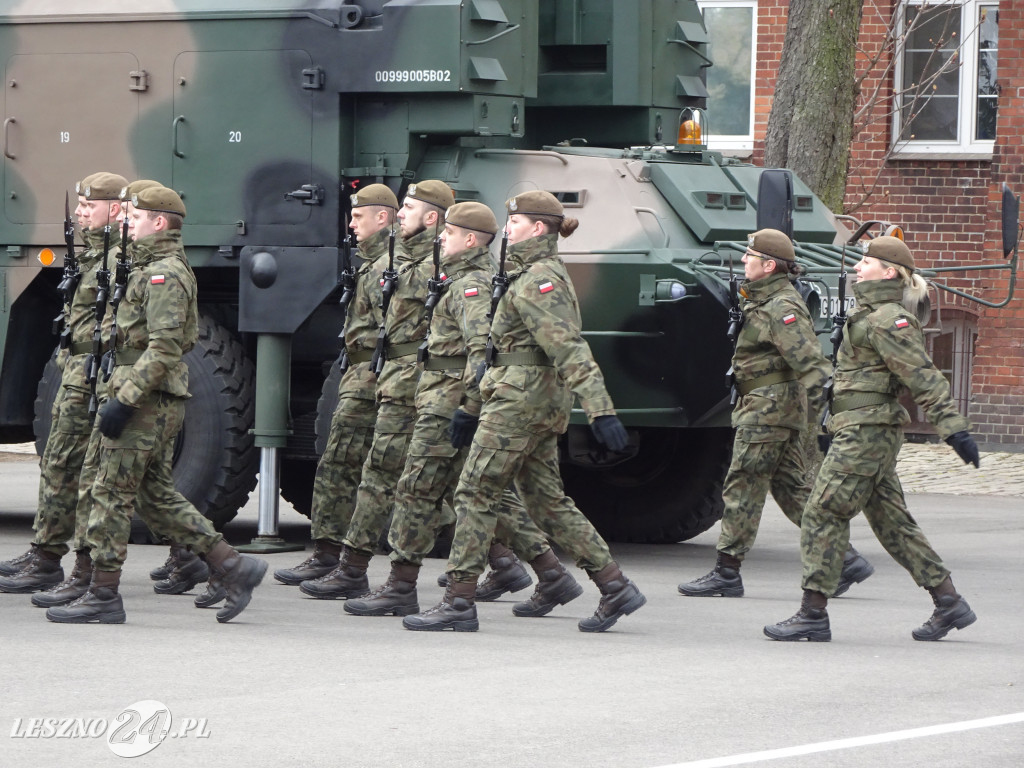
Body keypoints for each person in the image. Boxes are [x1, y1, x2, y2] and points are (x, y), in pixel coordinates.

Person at [404, 190, 645, 633]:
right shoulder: (527, 274)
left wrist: (601, 410)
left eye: (514, 223)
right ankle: (614, 586)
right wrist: (471, 407)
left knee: (475, 493)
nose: (506, 230)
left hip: (520, 401)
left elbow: (568, 346)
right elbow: (498, 351)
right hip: (522, 398)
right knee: (547, 502)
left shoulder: (538, 279)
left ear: (538, 228)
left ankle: (459, 600)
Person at [45, 185, 267, 624]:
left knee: (108, 492)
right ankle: (233, 565)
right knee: (155, 497)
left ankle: (104, 593)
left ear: (159, 223)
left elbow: (165, 348)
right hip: (133, 393)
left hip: (145, 400)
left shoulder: (166, 273)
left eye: (136, 215)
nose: (127, 220)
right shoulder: (142, 268)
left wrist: (125, 401)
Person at [343, 201, 567, 617]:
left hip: (447, 401)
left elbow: (482, 349)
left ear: (468, 239)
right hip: (438, 395)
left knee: (419, 490)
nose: (441, 238)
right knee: (467, 493)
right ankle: (545, 572)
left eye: (448, 233)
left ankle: (403, 586)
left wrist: (468, 405)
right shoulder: (459, 277)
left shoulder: (472, 285)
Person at [764, 236, 980, 642]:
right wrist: (835, 425)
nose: (858, 266)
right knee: (893, 524)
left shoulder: (887, 319)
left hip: (868, 433)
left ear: (890, 272)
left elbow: (923, 376)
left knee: (823, 512)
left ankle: (813, 613)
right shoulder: (868, 315)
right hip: (860, 429)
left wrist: (954, 429)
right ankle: (949, 602)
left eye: (867, 261)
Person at [677, 229, 874, 599]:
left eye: (750, 255)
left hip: (768, 411)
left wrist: (836, 411)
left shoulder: (782, 306)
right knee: (791, 489)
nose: (744, 260)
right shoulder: (764, 301)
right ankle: (844, 559)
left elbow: (809, 362)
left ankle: (727, 571)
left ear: (768, 265)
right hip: (767, 407)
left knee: (742, 485)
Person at [300, 180, 455, 599]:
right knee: (383, 472)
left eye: (409, 207)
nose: (403, 214)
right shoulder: (394, 262)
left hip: (404, 379)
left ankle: (356, 568)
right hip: (381, 374)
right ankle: (339, 559)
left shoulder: (432, 266)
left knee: (404, 478)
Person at [0, 173, 127, 599]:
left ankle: (70, 566)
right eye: (80, 205)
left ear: (115, 209)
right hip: (75, 376)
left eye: (89, 206)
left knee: (92, 476)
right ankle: (47, 554)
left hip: (94, 382)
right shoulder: (94, 256)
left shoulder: (117, 260)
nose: (79, 212)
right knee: (57, 465)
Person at [272, 183, 399, 590]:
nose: (351, 224)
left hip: (376, 378)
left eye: (358, 216)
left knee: (406, 477)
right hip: (360, 373)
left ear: (382, 218)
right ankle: (329, 554)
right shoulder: (372, 263)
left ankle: (341, 563)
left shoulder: (387, 266)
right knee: (337, 464)